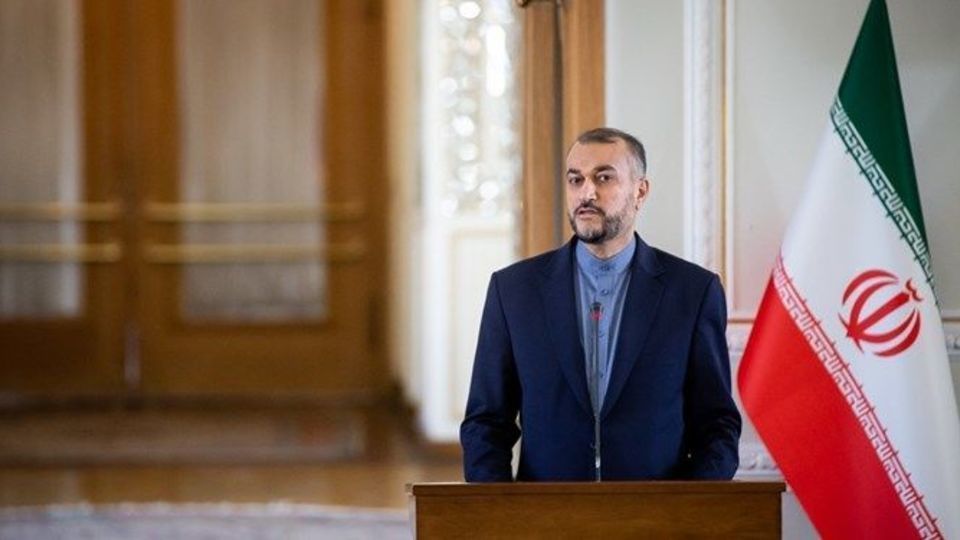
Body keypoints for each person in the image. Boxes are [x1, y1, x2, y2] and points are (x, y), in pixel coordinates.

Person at [460, 127, 741, 482]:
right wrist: (497, 509)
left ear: (640, 192)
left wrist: (688, 507)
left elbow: (716, 425)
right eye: (575, 180)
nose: (587, 193)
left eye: (604, 178)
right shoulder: (514, 291)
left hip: (655, 511)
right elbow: (486, 423)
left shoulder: (693, 292)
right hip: (545, 511)